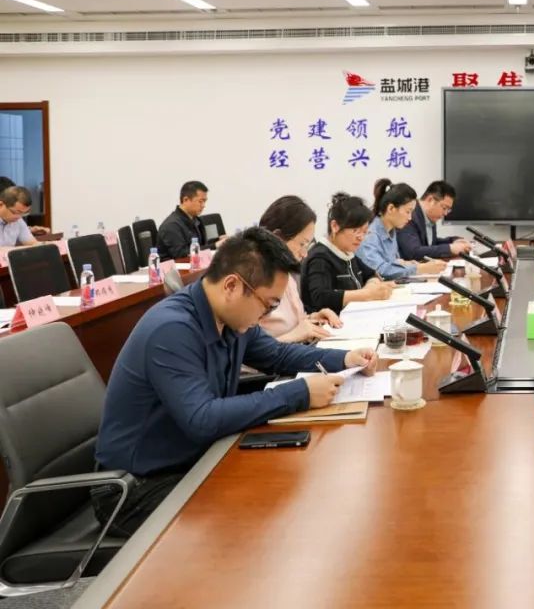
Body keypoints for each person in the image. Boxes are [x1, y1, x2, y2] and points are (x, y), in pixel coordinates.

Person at [93, 227, 376, 536]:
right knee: (259, 518)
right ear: (232, 286)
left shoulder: (229, 317)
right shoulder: (171, 330)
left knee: (291, 488)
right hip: (134, 489)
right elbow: (202, 419)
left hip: (192, 460)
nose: (267, 313)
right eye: (268, 304)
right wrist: (300, 393)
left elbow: (278, 355)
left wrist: (346, 359)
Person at [258, 195, 345, 343]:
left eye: (308, 245)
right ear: (277, 237)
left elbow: (295, 324)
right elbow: (249, 351)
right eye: (302, 244)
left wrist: (313, 319)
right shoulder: (253, 281)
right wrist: (295, 335)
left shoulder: (286, 273)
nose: (305, 254)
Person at [301, 192, 394, 314]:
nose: (361, 237)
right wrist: (366, 294)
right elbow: (321, 297)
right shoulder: (320, 257)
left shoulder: (348, 253)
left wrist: (371, 288)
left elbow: (371, 274)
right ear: (335, 226)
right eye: (356, 230)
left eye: (365, 232)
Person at [358, 179, 447, 280]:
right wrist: (420, 268)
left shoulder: (391, 230)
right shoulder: (370, 234)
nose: (410, 218)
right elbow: (380, 270)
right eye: (408, 212)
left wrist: (404, 263)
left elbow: (390, 261)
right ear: (391, 208)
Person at [397, 180, 470, 261]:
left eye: (448, 210)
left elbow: (430, 244)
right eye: (444, 208)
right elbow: (413, 252)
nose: (445, 213)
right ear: (430, 200)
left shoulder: (430, 216)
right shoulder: (410, 215)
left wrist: (453, 240)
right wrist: (449, 248)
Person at [158, 180, 208, 260]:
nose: (203, 205)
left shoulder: (196, 220)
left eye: (205, 201)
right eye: (200, 201)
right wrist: (214, 245)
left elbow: (202, 246)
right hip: (177, 266)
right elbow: (181, 255)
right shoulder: (171, 225)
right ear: (186, 200)